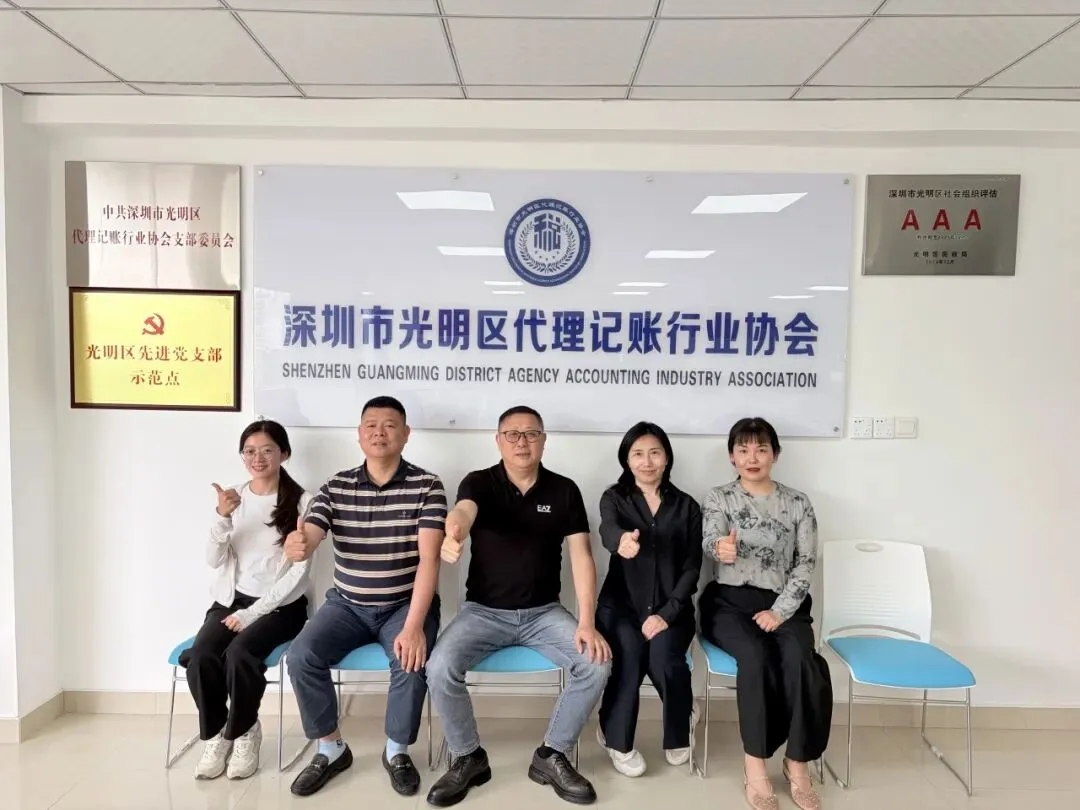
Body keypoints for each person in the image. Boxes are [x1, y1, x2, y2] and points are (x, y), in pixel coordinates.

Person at [425, 406, 612, 807]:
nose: (521, 442)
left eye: (531, 434)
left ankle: (552, 754)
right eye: (512, 434)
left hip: (544, 613)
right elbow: (463, 512)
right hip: (483, 612)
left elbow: (582, 557)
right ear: (498, 441)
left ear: (544, 440)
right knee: (439, 667)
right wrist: (453, 531)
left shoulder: (564, 490)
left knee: (596, 664)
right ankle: (468, 757)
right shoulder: (480, 482)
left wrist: (587, 622)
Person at [284, 396, 446, 798]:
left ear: (406, 434)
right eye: (371, 425)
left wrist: (414, 626)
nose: (379, 432)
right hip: (347, 605)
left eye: (389, 425)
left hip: (404, 604)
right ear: (359, 435)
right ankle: (331, 748)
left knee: (410, 659)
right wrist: (301, 544)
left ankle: (396, 751)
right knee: (302, 655)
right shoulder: (336, 486)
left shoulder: (428, 485)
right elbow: (312, 532)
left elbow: (430, 560)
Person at [699, 417, 831, 810]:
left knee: (802, 660)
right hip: (729, 602)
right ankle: (755, 765)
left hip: (784, 601)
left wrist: (780, 611)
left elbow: (806, 562)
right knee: (755, 656)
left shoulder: (798, 502)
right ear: (731, 456)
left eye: (761, 449)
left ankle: (797, 763)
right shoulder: (719, 497)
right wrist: (720, 548)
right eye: (743, 450)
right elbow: (711, 539)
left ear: (775, 454)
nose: (752, 457)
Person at [183, 419, 312, 781]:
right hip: (230, 601)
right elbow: (213, 560)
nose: (258, 458)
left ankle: (243, 732)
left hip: (282, 607)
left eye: (267, 450)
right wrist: (222, 518)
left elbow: (298, 574)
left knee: (240, 654)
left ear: (284, 454)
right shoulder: (233, 498)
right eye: (250, 451)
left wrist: (252, 614)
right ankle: (220, 732)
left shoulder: (304, 502)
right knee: (201, 657)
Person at [594, 422, 703, 777]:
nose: (647, 461)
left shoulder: (687, 506)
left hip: (672, 609)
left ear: (667, 457)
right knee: (629, 658)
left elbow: (692, 567)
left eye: (654, 453)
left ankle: (681, 723)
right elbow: (607, 528)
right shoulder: (615, 498)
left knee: (664, 657)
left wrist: (667, 614)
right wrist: (620, 541)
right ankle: (615, 738)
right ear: (626, 460)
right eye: (638, 454)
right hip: (621, 607)